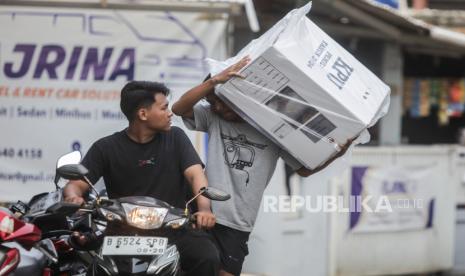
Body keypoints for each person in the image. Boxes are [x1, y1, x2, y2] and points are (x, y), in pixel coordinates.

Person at [172, 57, 353, 276]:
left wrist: (338, 151)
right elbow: (179, 108)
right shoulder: (214, 119)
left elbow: (304, 170)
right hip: (203, 211)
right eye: (213, 102)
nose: (218, 108)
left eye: (222, 101)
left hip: (239, 222)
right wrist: (214, 82)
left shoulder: (273, 128)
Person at [63, 81, 220, 276]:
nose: (170, 113)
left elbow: (196, 175)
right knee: (78, 251)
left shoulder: (176, 137)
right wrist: (73, 197)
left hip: (173, 229)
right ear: (143, 114)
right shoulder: (106, 147)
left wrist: (204, 210)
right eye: (163, 108)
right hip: (120, 232)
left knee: (207, 257)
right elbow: (75, 185)